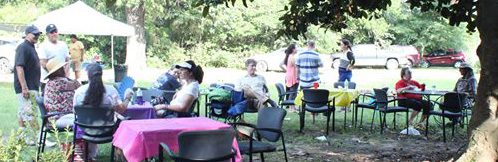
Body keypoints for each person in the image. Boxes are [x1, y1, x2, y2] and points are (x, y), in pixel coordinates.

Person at [73, 63, 133, 160]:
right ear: (101, 75)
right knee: (125, 122)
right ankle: (122, 154)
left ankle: (84, 154)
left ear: (88, 75)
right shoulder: (111, 91)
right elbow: (121, 110)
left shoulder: (79, 92)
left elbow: (76, 112)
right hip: (108, 130)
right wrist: (127, 98)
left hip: (86, 130)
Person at [14, 25, 42, 143]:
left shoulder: (31, 47)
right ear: (27, 34)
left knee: (23, 112)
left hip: (32, 85)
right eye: (34, 34)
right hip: (26, 87)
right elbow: (19, 67)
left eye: (38, 34)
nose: (37, 36)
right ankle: (40, 138)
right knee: (29, 112)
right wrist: (24, 87)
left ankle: (22, 137)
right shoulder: (23, 47)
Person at [43, 56, 80, 125]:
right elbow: (78, 87)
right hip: (58, 117)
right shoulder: (59, 83)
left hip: (54, 116)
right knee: (84, 120)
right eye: (62, 67)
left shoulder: (51, 82)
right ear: (59, 70)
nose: (64, 69)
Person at [38, 24, 70, 95]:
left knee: (62, 101)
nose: (54, 34)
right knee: (47, 102)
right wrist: (55, 75)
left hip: (63, 79)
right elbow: (43, 64)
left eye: (55, 31)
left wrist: (66, 76)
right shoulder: (43, 46)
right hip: (48, 81)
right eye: (51, 32)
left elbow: (67, 60)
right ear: (47, 34)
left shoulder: (63, 45)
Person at [279, 44, 299, 112]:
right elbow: (296, 68)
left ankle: (293, 107)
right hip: (293, 77)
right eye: (296, 48)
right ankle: (291, 108)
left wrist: (287, 71)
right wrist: (297, 77)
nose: (297, 49)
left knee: (292, 92)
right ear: (293, 49)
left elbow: (280, 65)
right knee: (293, 92)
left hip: (288, 76)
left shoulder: (288, 56)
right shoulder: (292, 57)